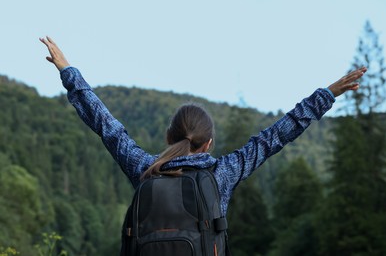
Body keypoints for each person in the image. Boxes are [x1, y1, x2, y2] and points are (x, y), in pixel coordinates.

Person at [40, 36, 367, 218]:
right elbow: (277, 135)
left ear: (170, 137)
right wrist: (328, 94)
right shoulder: (222, 174)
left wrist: (68, 71)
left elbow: (106, 125)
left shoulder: (145, 170)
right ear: (208, 143)